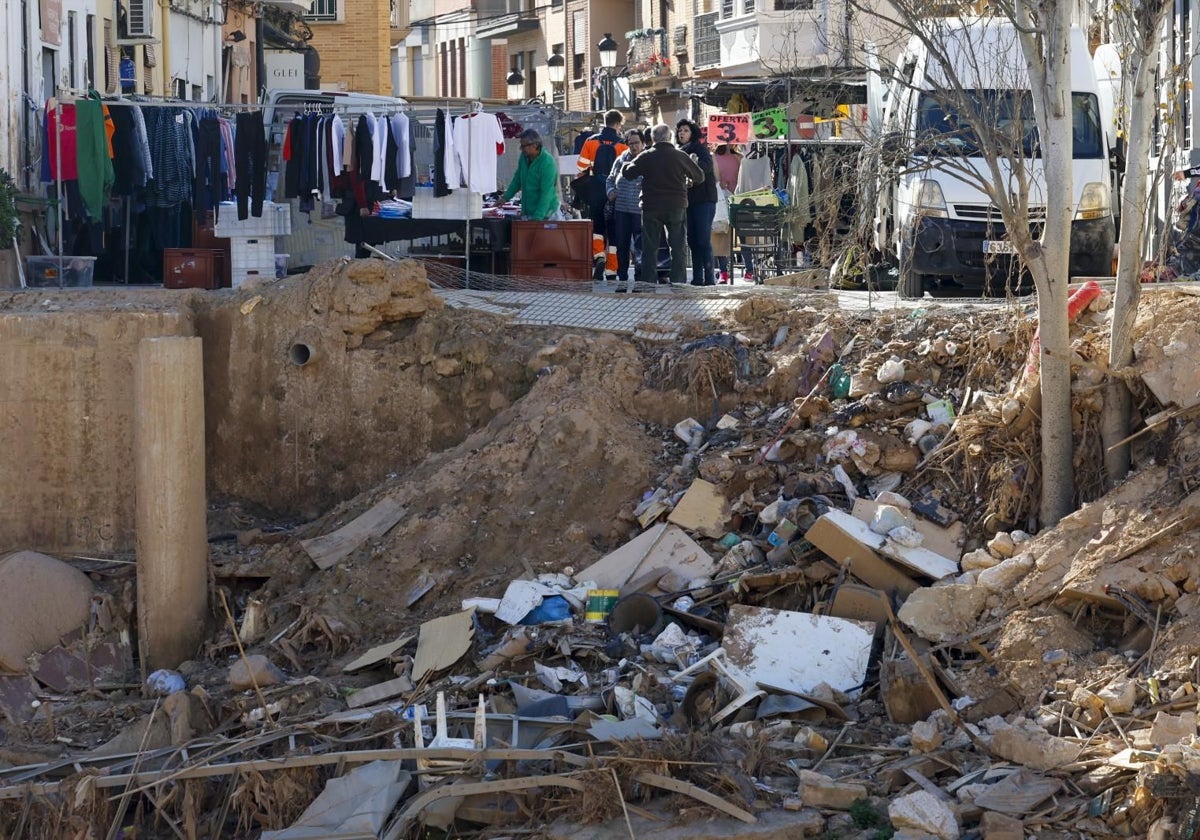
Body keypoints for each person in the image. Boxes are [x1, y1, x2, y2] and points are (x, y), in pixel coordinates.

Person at [617, 123, 704, 287]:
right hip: (676, 205)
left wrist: (625, 165)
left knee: (650, 247)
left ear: (652, 138)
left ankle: (648, 283)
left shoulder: (646, 156)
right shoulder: (680, 155)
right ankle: (678, 282)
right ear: (670, 137)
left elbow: (628, 173)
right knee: (678, 246)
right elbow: (699, 177)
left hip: (651, 207)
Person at [577, 109, 628, 280]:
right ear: (618, 123)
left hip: (595, 189)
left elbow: (581, 167)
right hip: (615, 192)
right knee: (614, 230)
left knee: (597, 226)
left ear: (604, 121)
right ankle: (612, 271)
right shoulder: (623, 145)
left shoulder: (590, 141)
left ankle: (599, 255)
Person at [676, 118, 718, 286]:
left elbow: (706, 166)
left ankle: (709, 278)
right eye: (680, 131)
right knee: (692, 240)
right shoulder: (679, 151)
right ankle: (697, 278)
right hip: (689, 201)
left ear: (692, 133)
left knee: (703, 239)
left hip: (705, 200)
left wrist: (691, 165)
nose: (681, 133)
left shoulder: (699, 148)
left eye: (685, 130)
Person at [606, 128, 646, 292]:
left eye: (637, 143)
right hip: (621, 210)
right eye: (631, 143)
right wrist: (610, 192)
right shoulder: (620, 160)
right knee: (621, 246)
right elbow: (610, 179)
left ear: (643, 143)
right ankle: (622, 280)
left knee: (639, 248)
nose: (634, 146)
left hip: (640, 212)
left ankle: (639, 281)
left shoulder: (648, 160)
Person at [502, 129, 561, 221]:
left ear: (535, 145)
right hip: (530, 212)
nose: (521, 149)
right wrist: (505, 198)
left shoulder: (547, 163)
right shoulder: (524, 158)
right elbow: (517, 180)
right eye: (521, 145)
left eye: (524, 146)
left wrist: (538, 218)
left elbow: (546, 193)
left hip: (546, 214)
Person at [712, 143, 743, 283]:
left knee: (732, 235)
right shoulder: (716, 157)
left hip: (734, 199)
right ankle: (725, 271)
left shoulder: (738, 157)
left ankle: (726, 271)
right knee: (723, 235)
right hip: (726, 199)